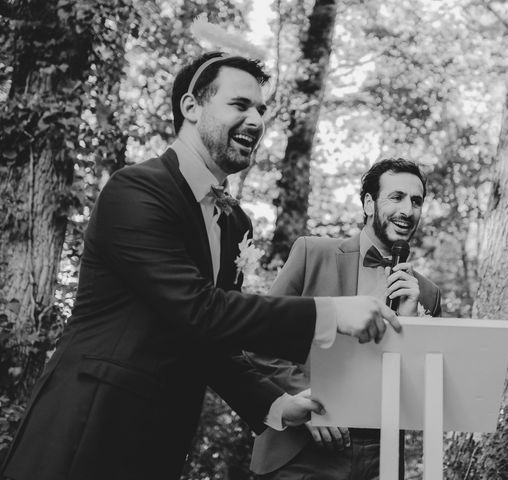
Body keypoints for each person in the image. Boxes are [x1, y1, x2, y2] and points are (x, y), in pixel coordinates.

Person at [0, 52, 400, 480]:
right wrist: (332, 312)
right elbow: (198, 309)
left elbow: (209, 339)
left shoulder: (235, 222)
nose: (256, 120)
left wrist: (277, 402)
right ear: (191, 107)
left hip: (160, 446)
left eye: (261, 110)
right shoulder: (136, 189)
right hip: (87, 430)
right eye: (239, 105)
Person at [246, 158, 442, 480]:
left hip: (383, 455)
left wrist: (410, 327)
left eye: (416, 201)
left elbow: (423, 392)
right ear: (368, 203)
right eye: (397, 197)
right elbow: (258, 338)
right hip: (303, 448)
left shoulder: (427, 294)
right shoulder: (312, 254)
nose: (408, 210)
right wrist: (306, 401)